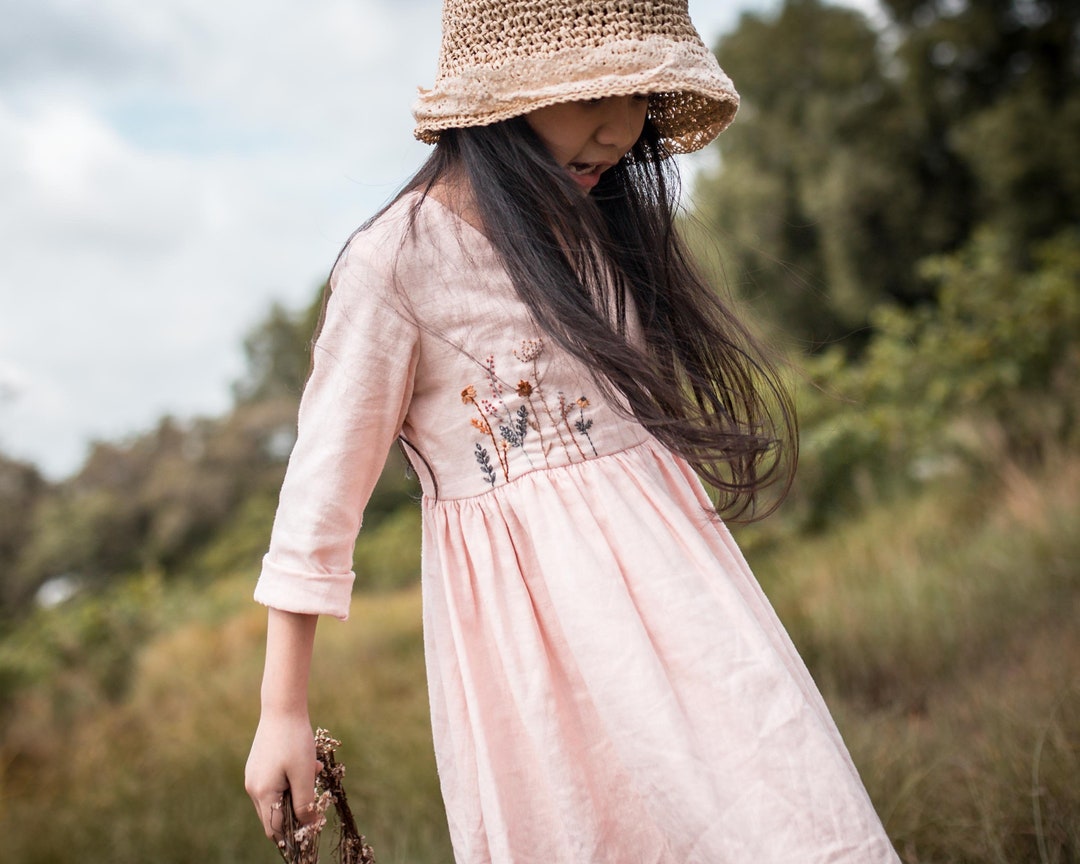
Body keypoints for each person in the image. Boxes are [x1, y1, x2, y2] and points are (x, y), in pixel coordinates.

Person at [245, 1, 901, 861]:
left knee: (772, 805)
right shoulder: (396, 266)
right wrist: (282, 712)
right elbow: (317, 506)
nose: (622, 129)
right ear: (502, 93)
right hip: (534, 644)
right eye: (594, 95)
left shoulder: (592, 223)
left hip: (686, 599)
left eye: (637, 94)